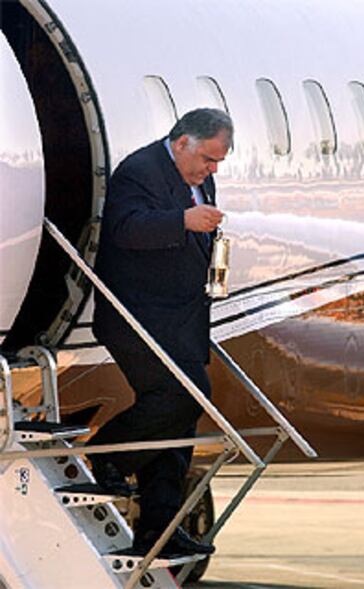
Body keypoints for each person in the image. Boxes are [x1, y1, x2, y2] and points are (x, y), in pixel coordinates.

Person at [87, 108, 233, 558]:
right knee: (183, 397)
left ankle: (160, 531)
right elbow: (125, 229)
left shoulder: (197, 176)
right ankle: (106, 456)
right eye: (208, 159)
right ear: (183, 141)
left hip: (183, 318)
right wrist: (182, 223)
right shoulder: (141, 171)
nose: (211, 171)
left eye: (217, 164)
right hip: (139, 317)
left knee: (178, 425)